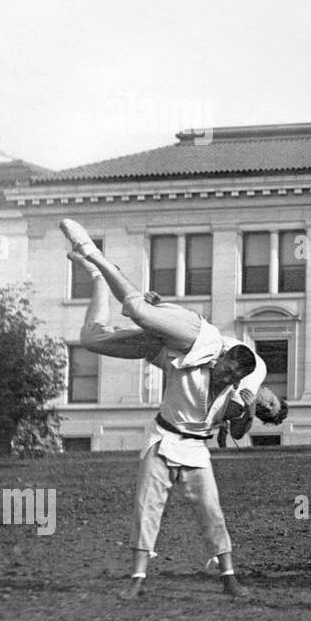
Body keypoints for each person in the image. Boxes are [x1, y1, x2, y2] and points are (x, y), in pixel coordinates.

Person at [60, 218, 286, 599]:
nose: (266, 402)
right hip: (192, 346)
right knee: (134, 306)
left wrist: (244, 413)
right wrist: (165, 308)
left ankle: (97, 279)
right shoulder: (250, 365)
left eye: (268, 409)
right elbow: (196, 329)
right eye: (272, 400)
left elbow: (236, 424)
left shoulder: (233, 397)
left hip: (190, 435)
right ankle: (93, 253)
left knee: (91, 339)